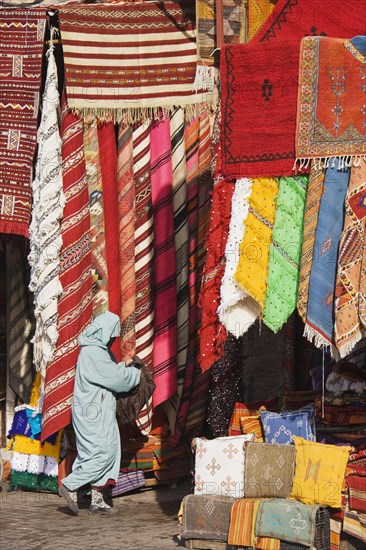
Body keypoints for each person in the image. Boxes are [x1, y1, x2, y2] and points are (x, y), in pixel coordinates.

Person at [59, 311, 141, 515]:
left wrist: (124, 368)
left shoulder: (98, 351)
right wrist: (135, 373)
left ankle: (97, 500)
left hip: (99, 412)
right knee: (101, 453)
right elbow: (115, 379)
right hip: (94, 415)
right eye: (112, 335)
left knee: (105, 451)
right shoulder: (93, 353)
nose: (113, 339)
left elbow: (109, 373)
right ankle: (70, 484)